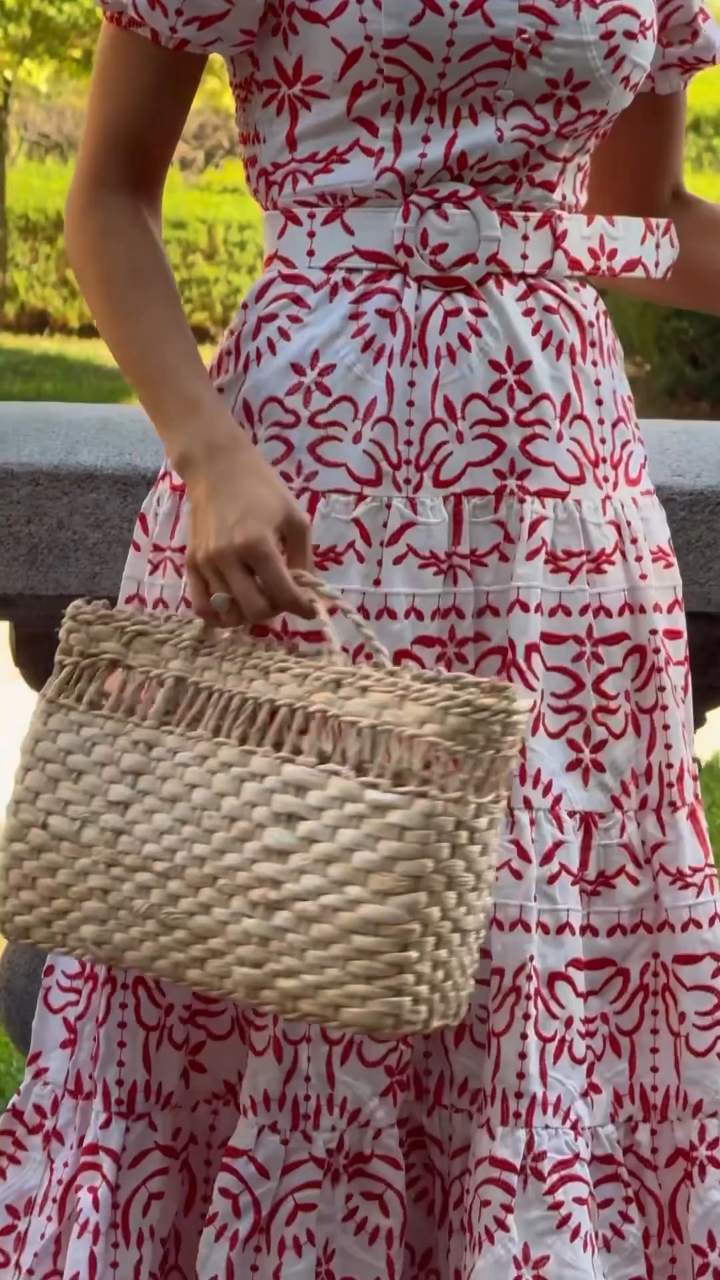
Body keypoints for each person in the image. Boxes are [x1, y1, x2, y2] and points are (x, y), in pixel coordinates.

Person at [1, 2, 720, 1276]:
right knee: (293, 916)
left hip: (560, 502)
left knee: (528, 936)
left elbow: (636, 220)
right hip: (312, 465)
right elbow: (108, 195)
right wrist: (209, 451)